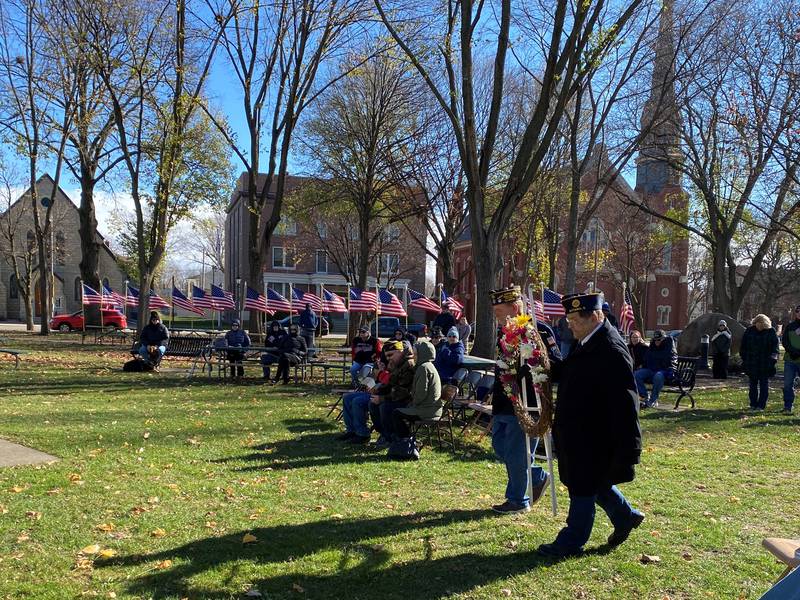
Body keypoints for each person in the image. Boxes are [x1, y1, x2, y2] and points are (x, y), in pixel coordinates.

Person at [537, 292, 643, 558]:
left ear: (596, 316)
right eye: (568, 319)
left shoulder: (611, 350)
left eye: (574, 319)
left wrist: (630, 449)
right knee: (595, 483)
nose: (569, 324)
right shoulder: (586, 340)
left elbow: (626, 405)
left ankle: (571, 541)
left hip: (595, 436)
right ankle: (625, 516)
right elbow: (572, 372)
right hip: (578, 432)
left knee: (582, 486)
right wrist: (542, 366)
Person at [489, 285, 555, 514]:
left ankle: (518, 500)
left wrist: (531, 362)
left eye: (499, 310)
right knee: (499, 446)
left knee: (517, 453)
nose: (496, 315)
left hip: (526, 402)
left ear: (515, 307)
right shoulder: (503, 333)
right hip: (503, 401)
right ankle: (536, 476)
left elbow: (550, 364)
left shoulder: (534, 331)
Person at [391, 340, 442, 459]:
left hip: (427, 410)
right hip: (428, 408)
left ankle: (406, 446)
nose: (413, 356)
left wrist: (412, 404)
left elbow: (421, 394)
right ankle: (407, 443)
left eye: (415, 354)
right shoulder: (427, 366)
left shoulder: (423, 368)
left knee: (396, 414)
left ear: (422, 354)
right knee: (398, 411)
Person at [370, 341, 415, 443]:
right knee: (372, 404)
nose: (388, 358)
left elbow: (402, 392)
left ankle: (391, 436)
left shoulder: (408, 364)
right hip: (395, 396)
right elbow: (390, 384)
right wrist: (380, 378)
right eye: (386, 356)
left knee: (384, 406)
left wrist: (382, 398)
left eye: (391, 355)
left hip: (407, 400)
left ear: (400, 351)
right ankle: (384, 434)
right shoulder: (396, 364)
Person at [338, 357, 390, 445]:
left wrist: (376, 382)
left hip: (382, 395)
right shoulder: (381, 362)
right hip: (374, 391)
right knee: (347, 398)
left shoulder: (393, 367)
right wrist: (372, 378)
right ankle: (351, 431)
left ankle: (362, 434)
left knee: (357, 402)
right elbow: (370, 378)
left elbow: (384, 387)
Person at [740, 314, 780, 410]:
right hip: (751, 362)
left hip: (765, 363)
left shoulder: (770, 332)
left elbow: (775, 348)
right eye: (758, 323)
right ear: (755, 322)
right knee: (752, 385)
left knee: (764, 385)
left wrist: (772, 360)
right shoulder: (749, 331)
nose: (760, 325)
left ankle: (761, 405)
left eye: (762, 323)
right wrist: (745, 358)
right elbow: (743, 346)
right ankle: (753, 403)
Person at [634, 329, 677, 409]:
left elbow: (671, 359)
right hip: (651, 370)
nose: (657, 342)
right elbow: (647, 357)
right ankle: (645, 396)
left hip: (664, 371)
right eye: (655, 340)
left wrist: (671, 370)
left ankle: (653, 400)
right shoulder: (652, 345)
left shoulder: (669, 345)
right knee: (637, 374)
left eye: (659, 340)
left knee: (658, 376)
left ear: (663, 338)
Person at [782, 304, 800, 414]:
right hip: (790, 360)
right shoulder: (790, 326)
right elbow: (785, 341)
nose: (799, 313)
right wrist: (792, 351)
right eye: (798, 311)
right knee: (788, 384)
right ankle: (788, 407)